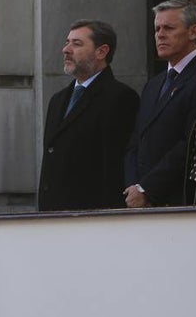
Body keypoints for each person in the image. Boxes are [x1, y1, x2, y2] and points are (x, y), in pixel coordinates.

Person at [38, 21, 140, 211]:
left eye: (76, 44)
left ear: (101, 52)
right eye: (67, 42)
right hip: (53, 217)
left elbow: (114, 166)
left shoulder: (120, 98)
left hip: (92, 219)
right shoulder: (58, 100)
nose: (66, 50)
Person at [125, 0, 196, 208]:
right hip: (141, 200)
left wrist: (147, 188)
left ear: (193, 32)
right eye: (157, 29)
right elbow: (137, 140)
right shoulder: (153, 85)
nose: (160, 35)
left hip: (180, 201)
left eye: (169, 28)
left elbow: (190, 143)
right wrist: (133, 185)